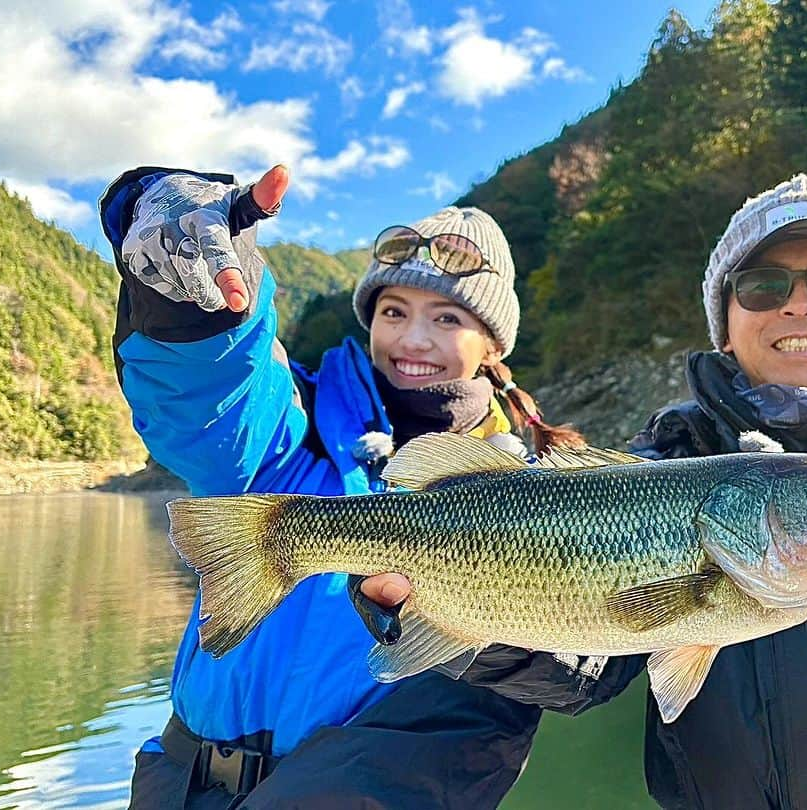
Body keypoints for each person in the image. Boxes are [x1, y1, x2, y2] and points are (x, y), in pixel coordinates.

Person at [355, 174, 807, 809]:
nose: (800, 303)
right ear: (725, 317)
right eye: (764, 286)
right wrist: (468, 622)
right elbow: (590, 665)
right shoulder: (662, 460)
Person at [99, 163, 584, 809]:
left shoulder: (536, 493)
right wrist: (188, 299)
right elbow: (204, 400)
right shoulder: (292, 422)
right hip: (175, 787)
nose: (413, 339)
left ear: (493, 345)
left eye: (447, 319)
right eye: (393, 310)